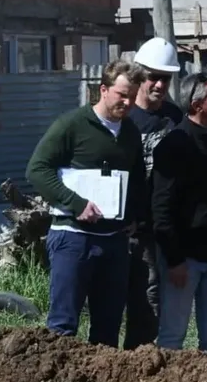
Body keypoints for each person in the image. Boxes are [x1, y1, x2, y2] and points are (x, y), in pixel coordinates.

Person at [25, 59, 147, 347]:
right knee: (62, 327)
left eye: (133, 96)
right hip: (73, 238)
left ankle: (101, 378)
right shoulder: (71, 125)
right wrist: (76, 203)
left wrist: (133, 215)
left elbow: (138, 178)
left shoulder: (130, 132)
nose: (128, 103)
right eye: (122, 95)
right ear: (103, 90)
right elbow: (37, 170)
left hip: (114, 241)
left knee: (108, 328)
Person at [151, 72, 207, 358]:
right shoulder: (175, 145)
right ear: (197, 104)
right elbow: (161, 207)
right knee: (172, 334)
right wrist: (174, 259)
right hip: (184, 258)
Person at [124, 37, 183, 350]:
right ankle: (134, 359)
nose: (160, 85)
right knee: (138, 299)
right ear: (139, 75)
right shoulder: (124, 116)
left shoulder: (174, 118)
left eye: (166, 78)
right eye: (153, 77)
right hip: (133, 226)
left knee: (160, 298)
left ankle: (154, 358)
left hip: (167, 226)